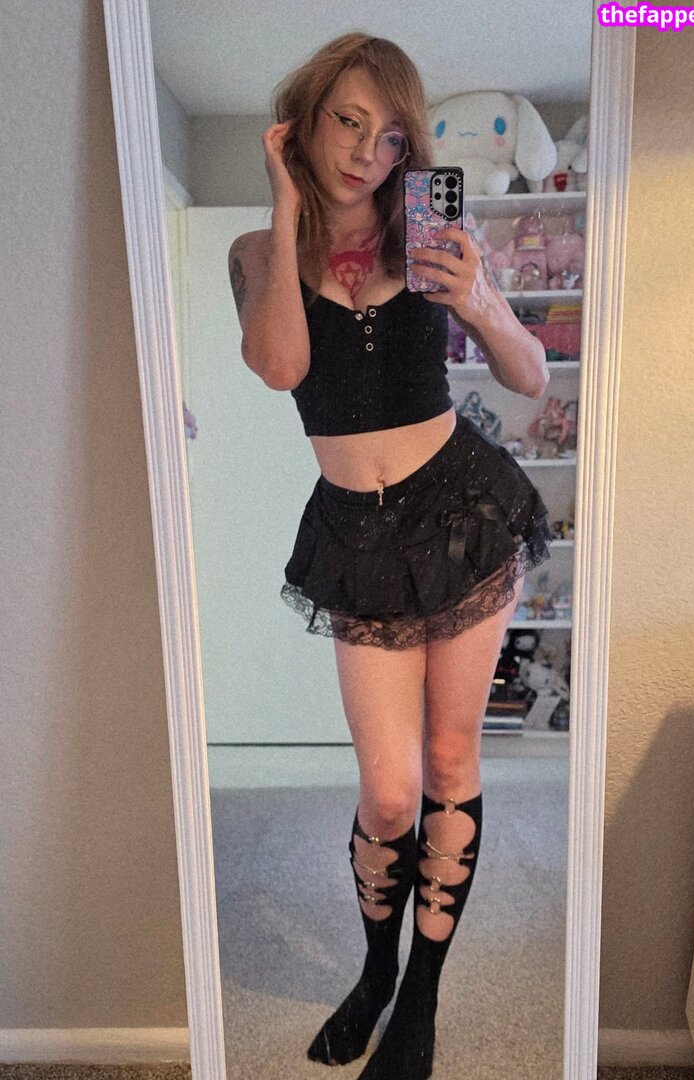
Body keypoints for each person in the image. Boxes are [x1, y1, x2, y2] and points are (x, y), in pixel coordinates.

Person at [227, 32, 554, 1079]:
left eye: (392, 136)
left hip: (460, 512)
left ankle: (421, 996)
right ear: (305, 116)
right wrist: (287, 203)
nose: (368, 153)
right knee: (390, 795)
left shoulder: (435, 237)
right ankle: (376, 970)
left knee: (453, 763)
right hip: (356, 536)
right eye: (348, 122)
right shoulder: (258, 253)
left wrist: (481, 302)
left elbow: (532, 379)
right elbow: (282, 366)